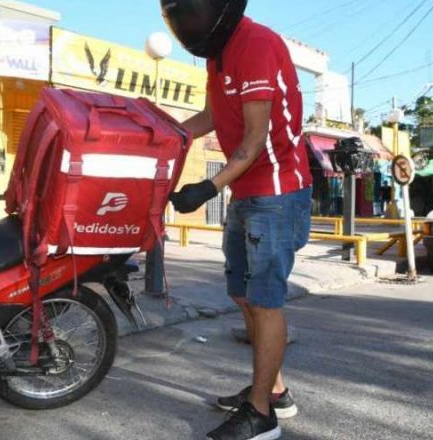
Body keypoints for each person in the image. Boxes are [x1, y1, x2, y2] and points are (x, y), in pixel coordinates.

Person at [161, 1, 312, 439]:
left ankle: (261, 414)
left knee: (265, 300)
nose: (187, 24)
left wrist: (207, 189)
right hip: (248, 190)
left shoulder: (257, 44)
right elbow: (212, 116)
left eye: (191, 13)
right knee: (241, 293)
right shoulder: (218, 54)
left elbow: (253, 139)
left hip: (278, 192)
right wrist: (166, 134)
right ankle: (276, 390)